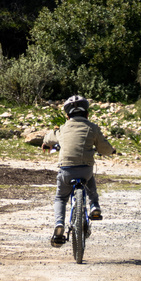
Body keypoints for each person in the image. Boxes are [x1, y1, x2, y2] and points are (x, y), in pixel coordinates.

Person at [42, 94, 116, 247]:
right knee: (89, 179)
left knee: (61, 198)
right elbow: (104, 148)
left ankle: (59, 224)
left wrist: (45, 144)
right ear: (87, 114)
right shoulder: (92, 128)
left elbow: (49, 138)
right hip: (85, 169)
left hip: (66, 170)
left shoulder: (62, 129)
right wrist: (111, 151)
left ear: (67, 116)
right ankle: (94, 205)